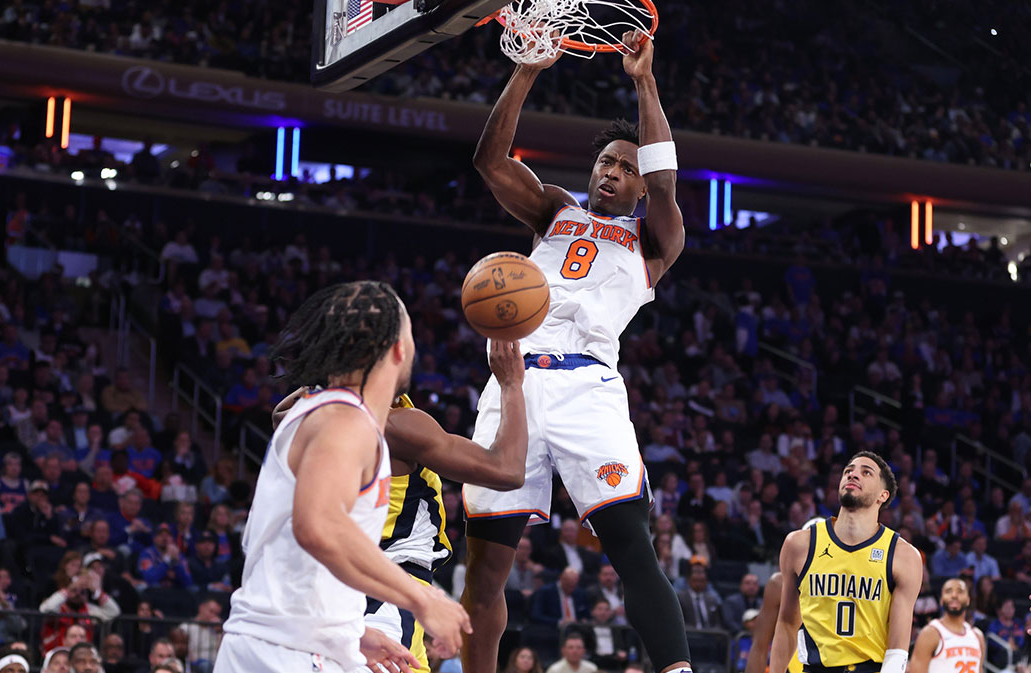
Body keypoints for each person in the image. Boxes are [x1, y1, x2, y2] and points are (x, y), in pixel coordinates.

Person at [465, 27, 689, 673]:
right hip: (512, 381)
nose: (613, 173)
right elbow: (490, 159)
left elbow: (667, 183)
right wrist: (528, 71)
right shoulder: (555, 211)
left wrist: (644, 80)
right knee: (487, 564)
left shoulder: (655, 238)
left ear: (640, 182)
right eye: (606, 163)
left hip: (587, 387)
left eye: (627, 167)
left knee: (630, 544)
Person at [215, 281, 470, 672]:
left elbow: (296, 561)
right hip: (290, 655)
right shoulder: (345, 419)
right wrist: (423, 600)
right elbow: (318, 526)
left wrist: (351, 634)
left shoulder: (322, 413)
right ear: (399, 349)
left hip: (285, 643)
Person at [270, 335, 529, 673]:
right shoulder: (394, 425)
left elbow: (283, 409)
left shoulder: (296, 416)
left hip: (329, 590)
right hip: (388, 589)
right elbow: (507, 471)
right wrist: (511, 384)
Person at [770, 452, 922, 673]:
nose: (853, 475)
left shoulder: (902, 555)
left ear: (883, 495)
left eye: (866, 472)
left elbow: (897, 648)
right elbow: (786, 624)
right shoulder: (799, 544)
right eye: (848, 471)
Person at [908, 578, 986, 673]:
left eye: (960, 591)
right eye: (948, 591)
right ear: (941, 600)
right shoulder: (931, 633)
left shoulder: (978, 636)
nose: (954, 595)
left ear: (968, 600)